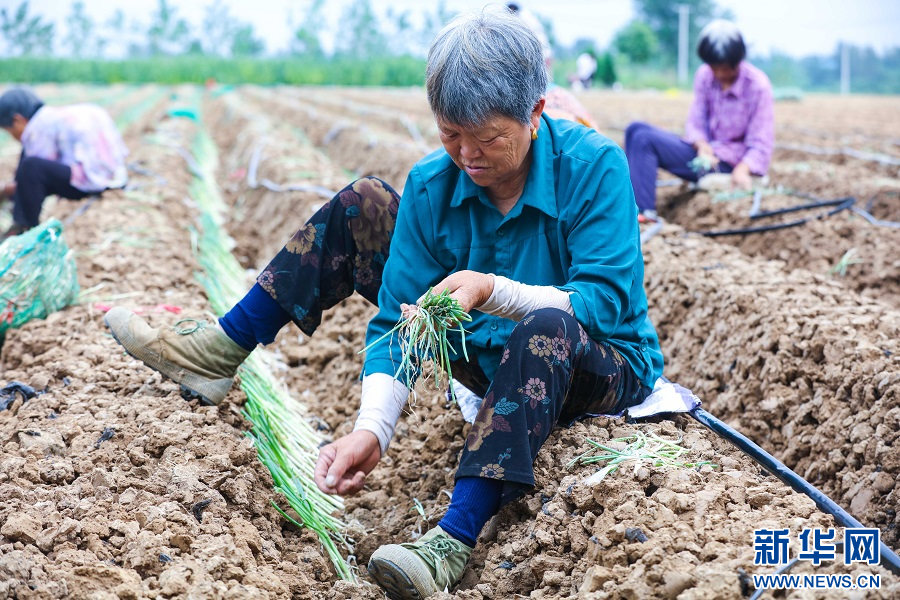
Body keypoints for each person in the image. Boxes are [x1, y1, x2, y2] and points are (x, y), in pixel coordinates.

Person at [104, 9, 663, 599]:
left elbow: (604, 301)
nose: (468, 155)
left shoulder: (594, 167)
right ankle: (222, 347)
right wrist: (372, 429)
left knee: (545, 326)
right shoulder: (433, 184)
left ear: (535, 113)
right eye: (451, 135)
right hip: (489, 356)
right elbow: (401, 318)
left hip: (596, 363)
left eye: (489, 138)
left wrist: (493, 291)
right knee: (362, 205)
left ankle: (453, 540)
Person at [623, 20, 774, 219]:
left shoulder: (757, 86)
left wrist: (743, 169)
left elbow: (761, 143)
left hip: (729, 163)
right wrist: (702, 145)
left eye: (725, 68)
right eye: (714, 67)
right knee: (635, 129)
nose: (719, 73)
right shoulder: (705, 75)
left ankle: (643, 214)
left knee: (644, 139)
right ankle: (629, 207)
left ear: (738, 62)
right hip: (705, 155)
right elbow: (696, 121)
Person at [0, 88, 128, 239]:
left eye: (9, 131)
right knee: (30, 164)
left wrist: (6, 189)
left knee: (30, 167)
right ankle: (16, 210)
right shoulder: (57, 115)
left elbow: (34, 174)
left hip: (91, 181)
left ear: (18, 120)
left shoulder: (38, 126)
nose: (13, 136)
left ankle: (23, 227)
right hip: (115, 177)